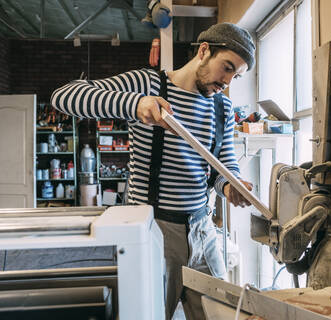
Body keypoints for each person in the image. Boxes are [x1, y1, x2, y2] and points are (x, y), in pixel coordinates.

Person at [51, 23, 255, 320]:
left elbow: (221, 164)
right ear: (203, 51)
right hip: (154, 229)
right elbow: (64, 96)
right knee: (149, 313)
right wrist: (134, 103)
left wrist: (229, 185)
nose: (227, 82)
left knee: (223, 314)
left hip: (202, 230)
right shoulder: (147, 84)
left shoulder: (222, 106)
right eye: (226, 68)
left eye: (235, 75)